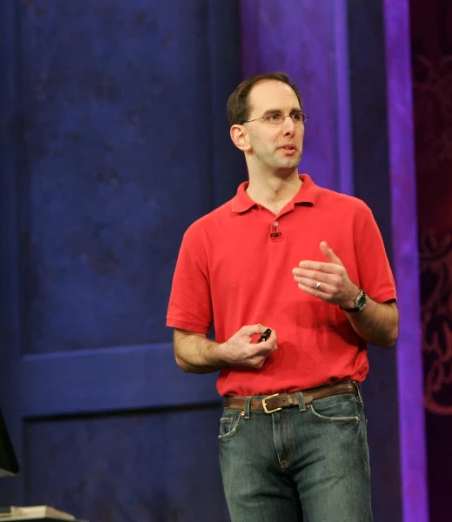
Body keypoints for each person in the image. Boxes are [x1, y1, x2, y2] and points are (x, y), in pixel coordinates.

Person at [166, 71, 398, 522]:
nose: (290, 128)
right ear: (241, 136)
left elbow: (388, 329)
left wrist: (353, 298)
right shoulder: (203, 235)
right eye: (273, 117)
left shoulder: (351, 216)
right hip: (244, 427)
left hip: (330, 418)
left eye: (296, 115)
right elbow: (184, 348)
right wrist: (224, 350)